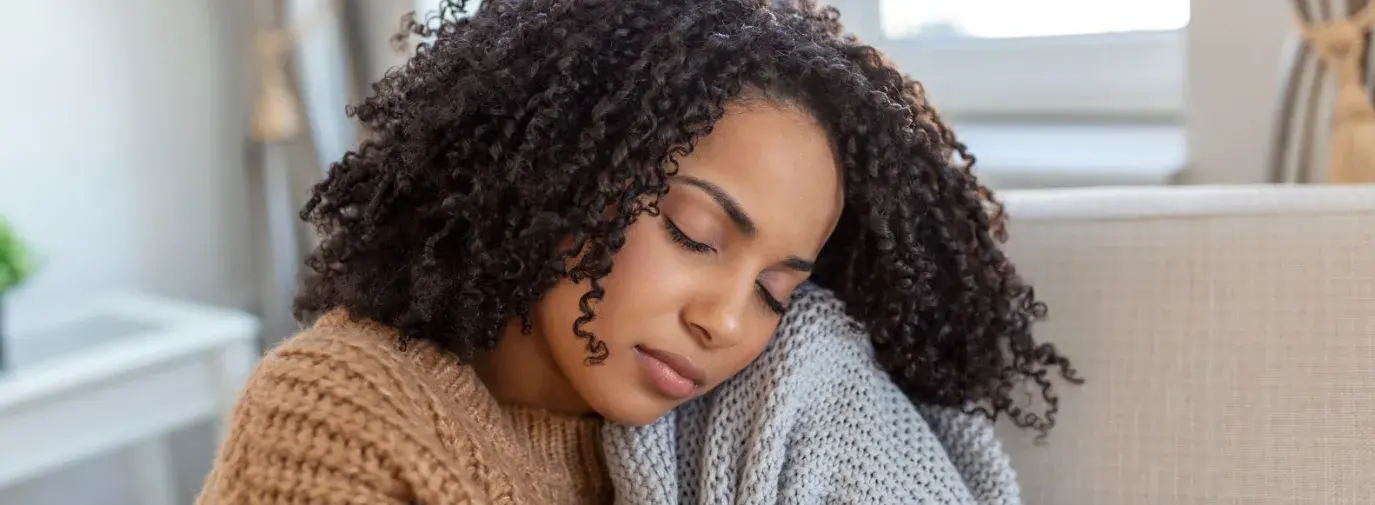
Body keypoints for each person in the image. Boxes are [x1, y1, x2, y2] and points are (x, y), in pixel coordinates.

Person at [196, 0, 1078, 504]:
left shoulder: (721, 442)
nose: (725, 319)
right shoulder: (346, 409)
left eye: (775, 289)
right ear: (555, 173)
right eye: (694, 234)